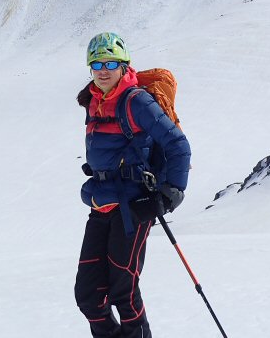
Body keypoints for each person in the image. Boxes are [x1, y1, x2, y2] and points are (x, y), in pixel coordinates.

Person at [74, 32, 192, 338]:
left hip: (133, 207)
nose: (103, 69)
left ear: (124, 64)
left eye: (111, 62)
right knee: (88, 296)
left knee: (122, 293)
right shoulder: (95, 101)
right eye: (96, 63)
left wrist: (170, 195)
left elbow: (178, 145)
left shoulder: (136, 101)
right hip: (102, 203)